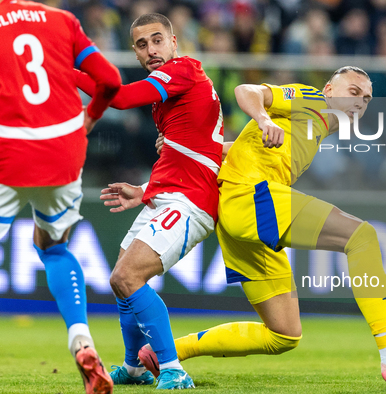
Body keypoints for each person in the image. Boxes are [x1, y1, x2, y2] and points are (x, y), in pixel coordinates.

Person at [137, 66, 386, 386]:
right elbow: (246, 91)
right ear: (330, 90)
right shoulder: (312, 98)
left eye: (367, 98)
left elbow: (241, 150)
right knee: (361, 237)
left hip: (238, 211)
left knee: (283, 334)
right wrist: (263, 118)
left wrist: (190, 150)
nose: (360, 102)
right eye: (354, 92)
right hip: (251, 194)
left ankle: (166, 352)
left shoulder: (313, 127)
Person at [75, 13, 224, 390]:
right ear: (135, 52)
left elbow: (121, 98)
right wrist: (145, 191)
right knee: (120, 281)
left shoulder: (182, 70)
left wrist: (66, 71)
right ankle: (136, 367)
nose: (151, 50)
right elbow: (187, 150)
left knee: (127, 276)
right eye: (142, 45)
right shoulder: (171, 94)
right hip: (166, 196)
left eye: (157, 40)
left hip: (190, 201)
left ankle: (173, 368)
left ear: (174, 42)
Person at [0, 1, 121, 393]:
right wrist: (93, 116)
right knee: (53, 247)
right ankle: (82, 341)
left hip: (8, 149)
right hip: (62, 150)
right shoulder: (62, 21)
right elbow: (110, 79)